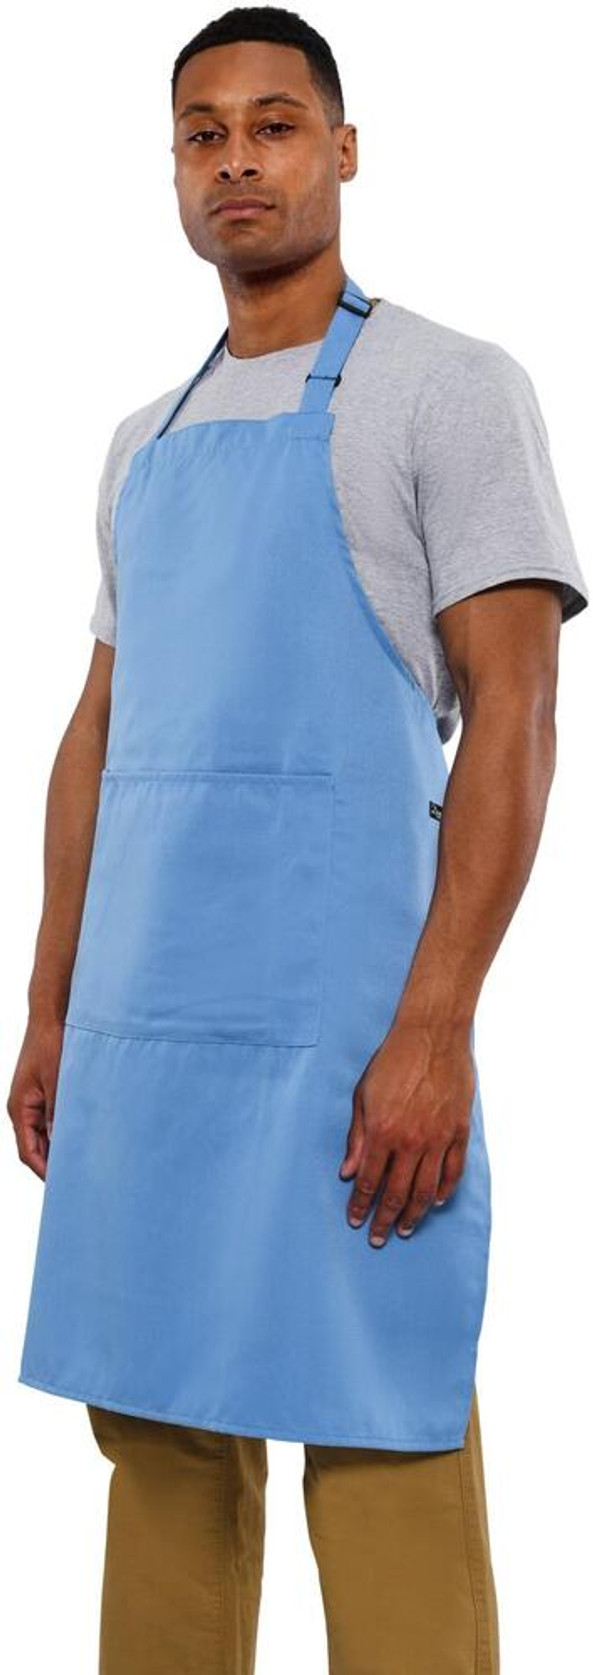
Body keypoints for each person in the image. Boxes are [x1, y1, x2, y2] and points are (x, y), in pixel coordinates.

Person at [8, 8, 588, 1673]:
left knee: (379, 1419)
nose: (236, 159)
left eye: (273, 124)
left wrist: (436, 1026)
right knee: (159, 1432)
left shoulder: (447, 389)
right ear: (174, 171)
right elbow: (100, 735)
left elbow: (516, 712)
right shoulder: (145, 441)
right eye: (202, 133)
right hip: (146, 1027)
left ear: (342, 149)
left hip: (346, 1032)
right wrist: (50, 1003)